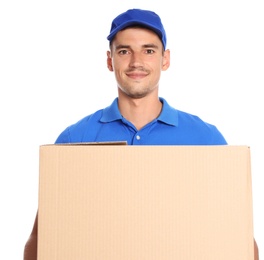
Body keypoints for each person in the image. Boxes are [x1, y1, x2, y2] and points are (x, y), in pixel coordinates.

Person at [24, 8, 259, 260]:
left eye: (149, 50)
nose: (136, 61)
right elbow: (42, 241)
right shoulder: (75, 140)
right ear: (109, 60)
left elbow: (240, 238)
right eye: (124, 51)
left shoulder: (206, 140)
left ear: (165, 59)